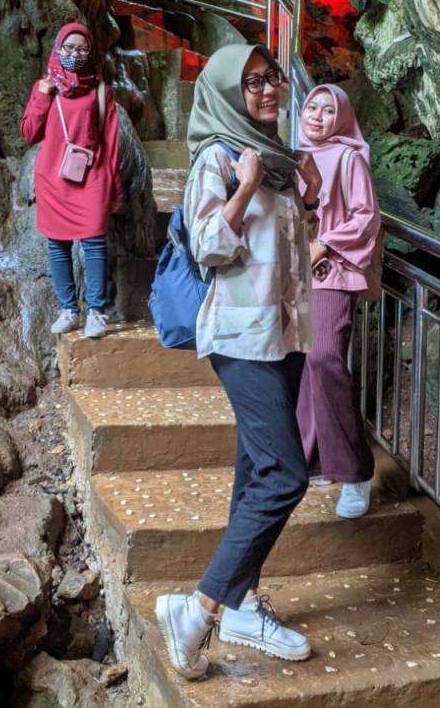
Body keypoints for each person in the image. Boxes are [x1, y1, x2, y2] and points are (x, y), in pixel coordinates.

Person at [155, 44, 322, 681]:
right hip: (240, 335)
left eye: (271, 76)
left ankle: (244, 603)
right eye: (251, 82)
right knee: (284, 474)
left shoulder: (276, 159)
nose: (268, 89)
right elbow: (208, 246)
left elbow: (281, 246)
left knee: (256, 468)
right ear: (227, 92)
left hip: (283, 332)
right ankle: (197, 609)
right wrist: (245, 185)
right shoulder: (219, 158)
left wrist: (306, 194)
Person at [296, 84, 382, 519]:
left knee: (325, 357)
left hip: (332, 269)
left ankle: (355, 471)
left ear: (343, 118)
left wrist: (324, 243)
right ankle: (314, 459)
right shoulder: (295, 155)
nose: (317, 115)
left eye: (328, 110)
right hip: (292, 270)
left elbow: (366, 217)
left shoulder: (350, 158)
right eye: (312, 106)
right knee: (303, 361)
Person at [20, 22, 122, 339]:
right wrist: (42, 97)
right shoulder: (45, 86)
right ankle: (69, 309)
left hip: (92, 174)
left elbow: (111, 142)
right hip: (53, 178)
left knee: (94, 242)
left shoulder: (101, 90)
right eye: (69, 48)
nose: (74, 54)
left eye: (81, 49)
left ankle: (96, 311)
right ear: (57, 48)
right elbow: (29, 133)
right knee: (57, 245)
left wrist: (115, 187)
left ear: (90, 52)